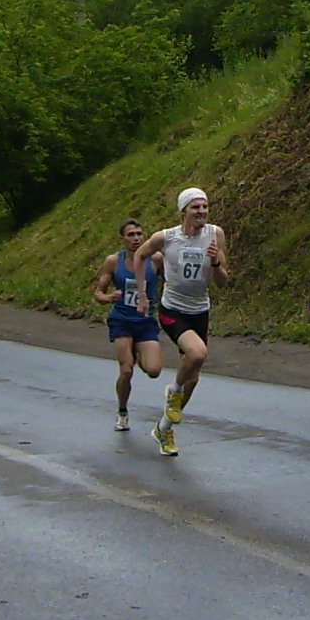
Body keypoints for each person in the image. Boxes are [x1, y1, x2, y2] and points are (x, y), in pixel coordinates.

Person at [133, 187, 230, 457]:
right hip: (173, 308)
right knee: (197, 354)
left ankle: (164, 429)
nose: (201, 212)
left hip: (200, 309)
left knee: (194, 375)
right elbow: (140, 256)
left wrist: (214, 263)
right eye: (195, 207)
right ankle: (173, 391)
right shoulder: (166, 238)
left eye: (205, 207)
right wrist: (142, 294)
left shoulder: (215, 234)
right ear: (183, 211)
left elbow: (223, 281)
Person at [93, 218, 164, 432]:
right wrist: (107, 298)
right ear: (122, 238)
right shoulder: (114, 261)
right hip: (122, 319)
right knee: (126, 371)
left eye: (139, 234)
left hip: (145, 321)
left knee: (153, 370)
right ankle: (122, 412)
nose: (136, 238)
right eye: (131, 235)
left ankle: (138, 352)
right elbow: (98, 292)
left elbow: (170, 281)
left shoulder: (156, 259)